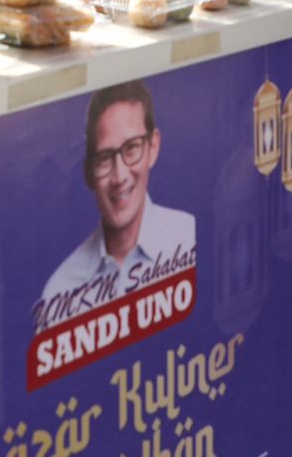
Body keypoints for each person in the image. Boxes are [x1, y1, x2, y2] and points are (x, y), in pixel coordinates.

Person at [34, 81, 196, 332]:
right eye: (105, 159)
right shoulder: (60, 292)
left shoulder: (190, 238)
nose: (120, 176)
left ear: (153, 147)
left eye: (132, 148)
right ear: (88, 174)